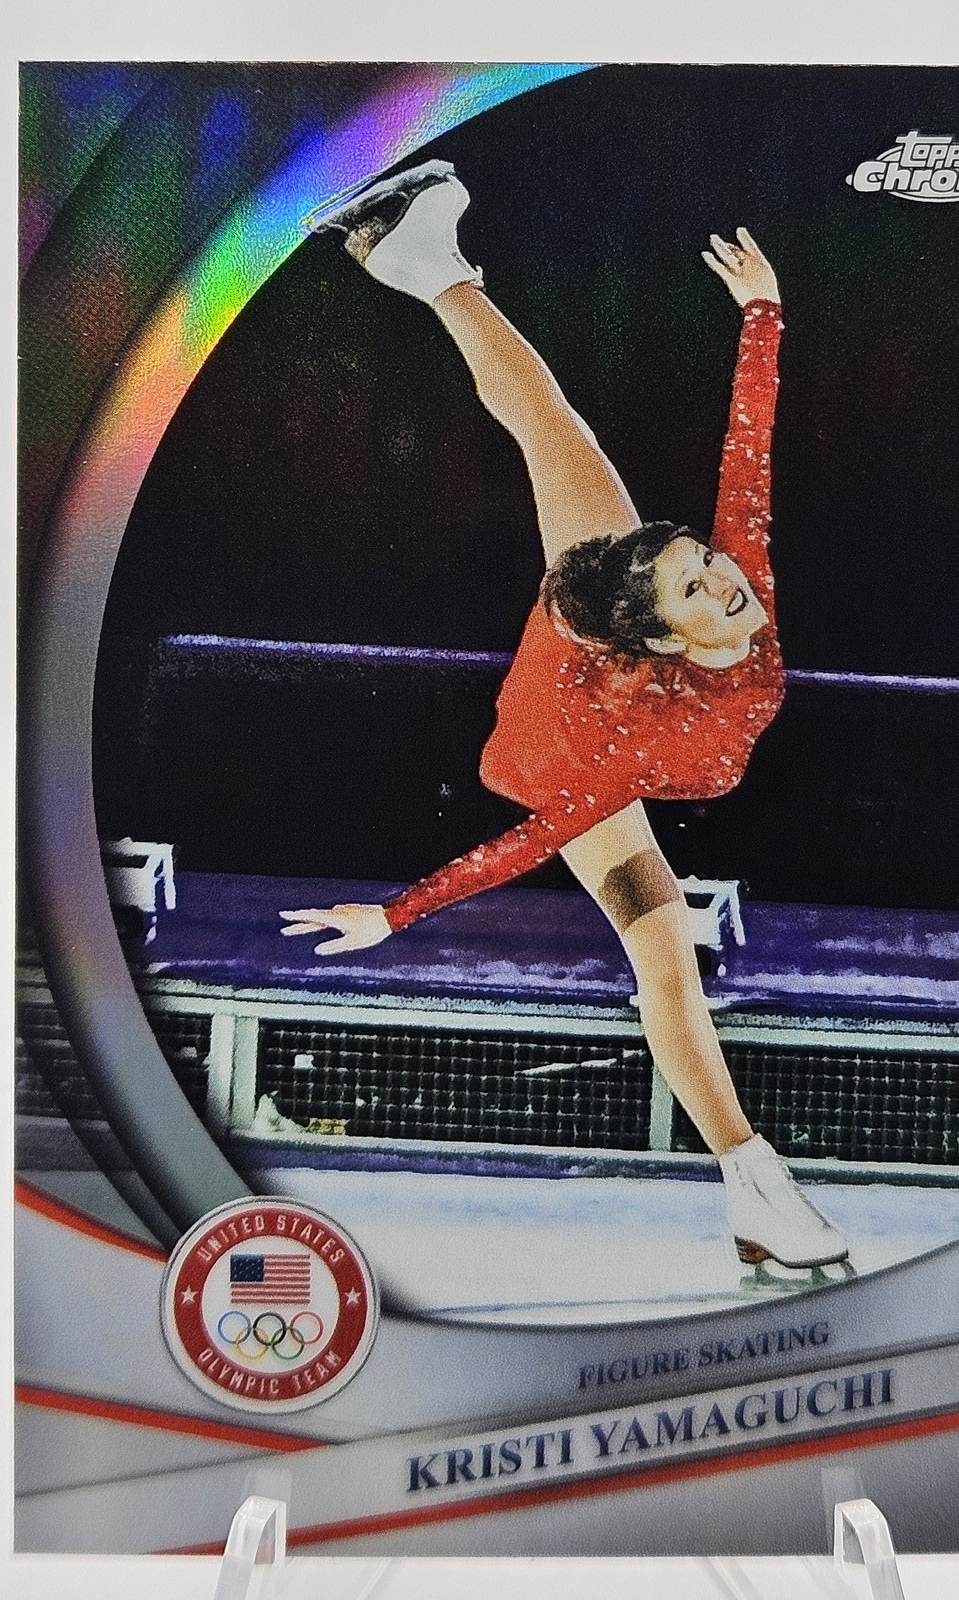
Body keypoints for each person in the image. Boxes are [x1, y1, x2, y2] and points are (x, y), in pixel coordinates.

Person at [282, 160, 848, 1271]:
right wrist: (396, 915)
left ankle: (750, 1192)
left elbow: (749, 455)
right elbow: (536, 837)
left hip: (613, 666)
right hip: (567, 735)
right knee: (662, 944)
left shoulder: (733, 583)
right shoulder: (627, 738)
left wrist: (763, 312)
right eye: (698, 585)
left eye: (708, 563)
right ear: (668, 633)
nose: (728, 581)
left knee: (560, 437)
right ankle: (759, 1183)